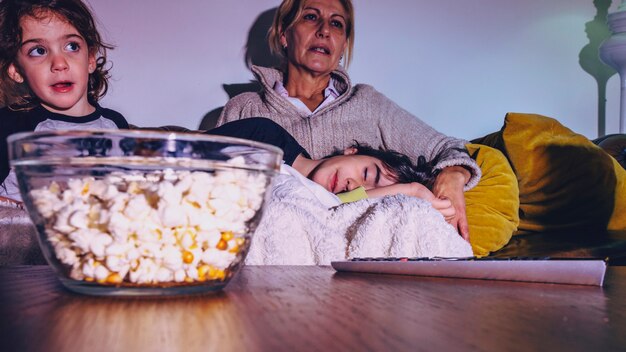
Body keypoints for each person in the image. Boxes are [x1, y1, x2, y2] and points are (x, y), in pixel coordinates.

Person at [216, 0, 480, 240]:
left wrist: (453, 174)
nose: (324, 31)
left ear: (343, 45)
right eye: (310, 17)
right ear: (284, 35)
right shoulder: (246, 109)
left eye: (336, 24)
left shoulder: (368, 103)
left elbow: (447, 148)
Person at [0, 0, 128, 202]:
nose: (59, 64)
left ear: (91, 59)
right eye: (38, 51)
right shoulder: (10, 124)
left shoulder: (115, 126)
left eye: (72, 46)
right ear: (15, 70)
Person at [208, 117, 456, 220]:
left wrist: (411, 191)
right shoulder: (265, 134)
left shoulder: (328, 206)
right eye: (367, 174)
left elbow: (337, 205)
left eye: (369, 192)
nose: (353, 187)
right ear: (352, 151)